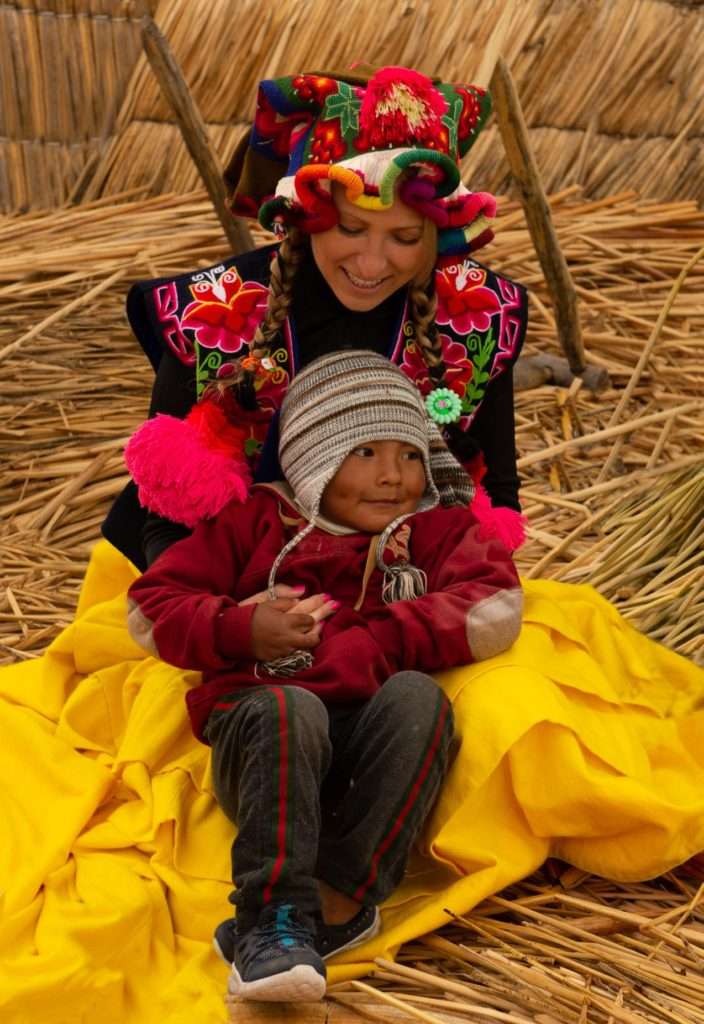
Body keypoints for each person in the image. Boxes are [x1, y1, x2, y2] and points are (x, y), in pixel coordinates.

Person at [126, 350, 523, 1003]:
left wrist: (381, 638)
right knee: (289, 710)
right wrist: (239, 629)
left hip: (364, 749)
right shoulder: (256, 523)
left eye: (410, 453)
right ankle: (272, 921)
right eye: (364, 452)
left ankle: (338, 901)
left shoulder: (433, 530)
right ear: (312, 454)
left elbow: (495, 607)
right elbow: (150, 608)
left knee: (419, 699)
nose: (394, 475)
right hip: (266, 745)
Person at [102, 64, 528, 571]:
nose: (371, 264)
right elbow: (166, 521)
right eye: (350, 228)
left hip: (390, 585)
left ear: (439, 235)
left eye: (405, 238)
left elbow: (495, 498)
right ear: (305, 218)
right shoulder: (217, 312)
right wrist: (227, 619)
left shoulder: (476, 318)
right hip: (199, 579)